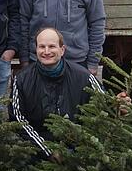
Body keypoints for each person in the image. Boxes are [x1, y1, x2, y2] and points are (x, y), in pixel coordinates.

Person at [9, 27, 104, 159]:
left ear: (62, 50)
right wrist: (48, 151)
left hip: (79, 154)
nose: (46, 51)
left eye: (52, 46)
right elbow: (18, 120)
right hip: (37, 154)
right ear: (36, 50)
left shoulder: (83, 76)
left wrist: (119, 105)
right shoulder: (22, 79)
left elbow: (104, 104)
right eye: (42, 47)